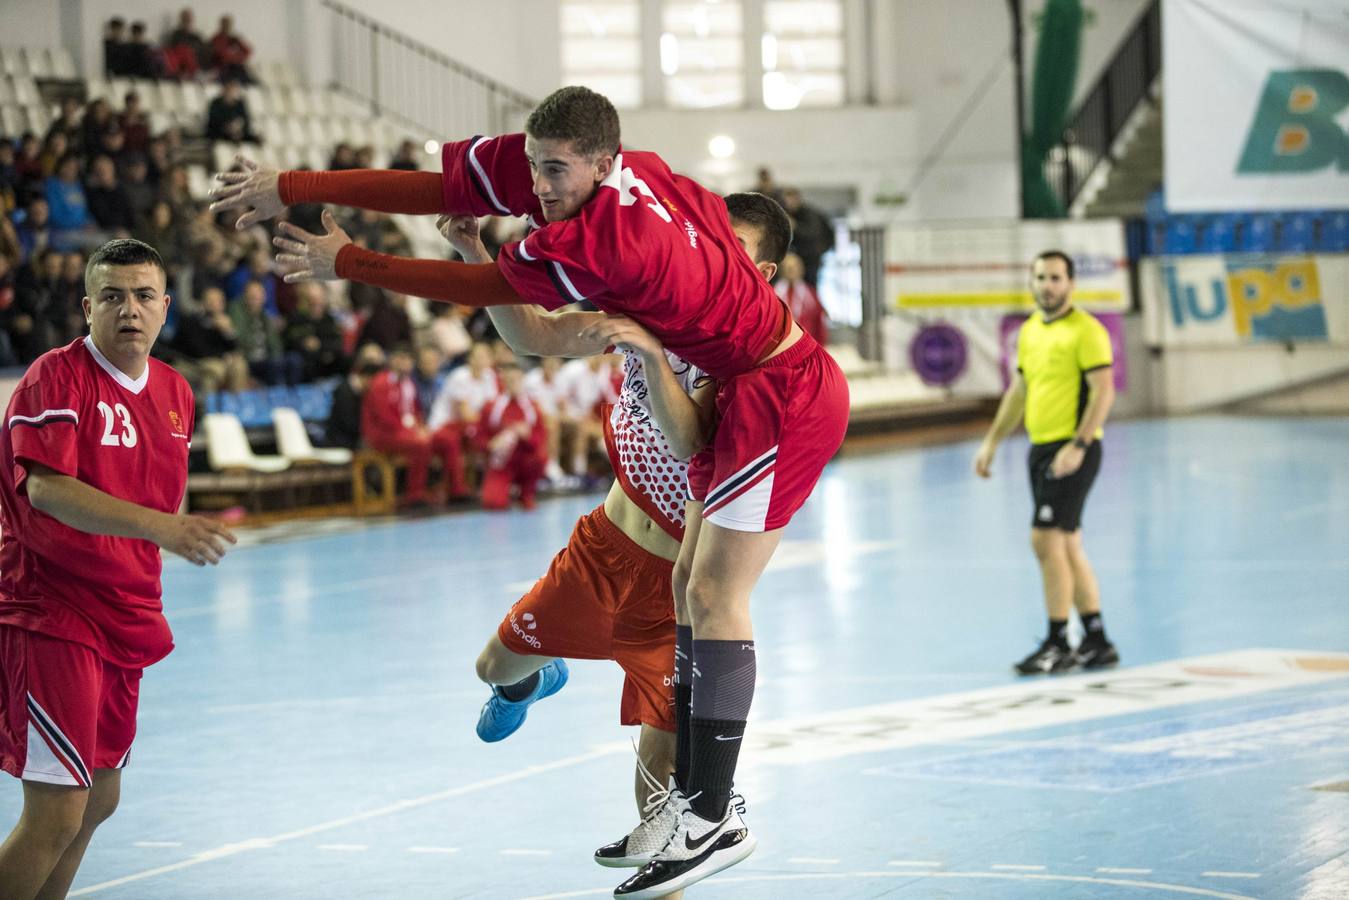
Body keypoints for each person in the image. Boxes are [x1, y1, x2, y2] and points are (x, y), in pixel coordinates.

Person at [209, 85, 850, 897]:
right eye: (537, 168)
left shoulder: (619, 251)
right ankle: (701, 805)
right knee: (693, 592)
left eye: (556, 172)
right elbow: (442, 191)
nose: (541, 186)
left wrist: (351, 264)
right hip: (624, 529)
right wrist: (292, 186)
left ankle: (708, 813)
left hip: (776, 395)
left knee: (711, 597)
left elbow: (486, 296)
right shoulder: (610, 188)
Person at [448, 194, 786, 882]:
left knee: (659, 788)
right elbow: (534, 336)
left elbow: (689, 438)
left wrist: (651, 354)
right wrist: (471, 252)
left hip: (673, 594)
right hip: (598, 551)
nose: (716, 261)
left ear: (768, 272)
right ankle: (532, 681)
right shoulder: (650, 304)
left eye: (738, 251)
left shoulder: (754, 365)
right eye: (710, 242)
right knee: (490, 669)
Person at [0, 239, 236, 899]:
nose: (128, 310)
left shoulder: (175, 392)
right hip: (51, 607)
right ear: (87, 307)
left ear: (165, 306)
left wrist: (162, 533)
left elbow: (153, 494)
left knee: (99, 799)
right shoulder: (57, 375)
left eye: (141, 296)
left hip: (125, 610)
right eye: (111, 297)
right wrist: (165, 528)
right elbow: (46, 489)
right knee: (56, 810)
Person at [974, 250, 1119, 675]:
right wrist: (992, 442)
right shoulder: (1030, 332)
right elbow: (1018, 392)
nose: (1047, 285)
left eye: (1055, 277)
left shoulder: (1087, 331)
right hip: (1040, 449)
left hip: (1072, 449)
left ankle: (1059, 642)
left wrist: (1078, 444)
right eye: (1040, 277)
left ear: (1071, 283)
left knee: (1045, 540)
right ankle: (1096, 639)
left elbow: (1103, 392)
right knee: (1067, 543)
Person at [361, 344, 471, 507]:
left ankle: (456, 490)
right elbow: (385, 418)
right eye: (401, 359)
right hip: (383, 434)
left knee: (449, 440)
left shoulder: (408, 384)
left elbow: (415, 412)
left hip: (406, 431)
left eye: (408, 360)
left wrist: (421, 428)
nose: (405, 363)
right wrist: (414, 432)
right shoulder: (381, 383)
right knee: (421, 443)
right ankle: (415, 494)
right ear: (392, 361)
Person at [473, 359, 548, 510]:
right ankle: (505, 490)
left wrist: (527, 436)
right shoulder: (491, 406)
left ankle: (525, 493)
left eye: (516, 379)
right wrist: (490, 444)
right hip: (501, 464)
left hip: (524, 461)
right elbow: (477, 436)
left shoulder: (532, 407)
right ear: (503, 381)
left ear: (522, 380)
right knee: (494, 504)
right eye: (509, 380)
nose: (513, 383)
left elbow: (541, 438)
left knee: (540, 458)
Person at [775, 251, 828, 346]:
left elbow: (819, 324)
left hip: (806, 346)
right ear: (781, 270)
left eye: (794, 267)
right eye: (787, 267)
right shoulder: (772, 294)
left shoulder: (811, 295)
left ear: (801, 269)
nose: (791, 270)